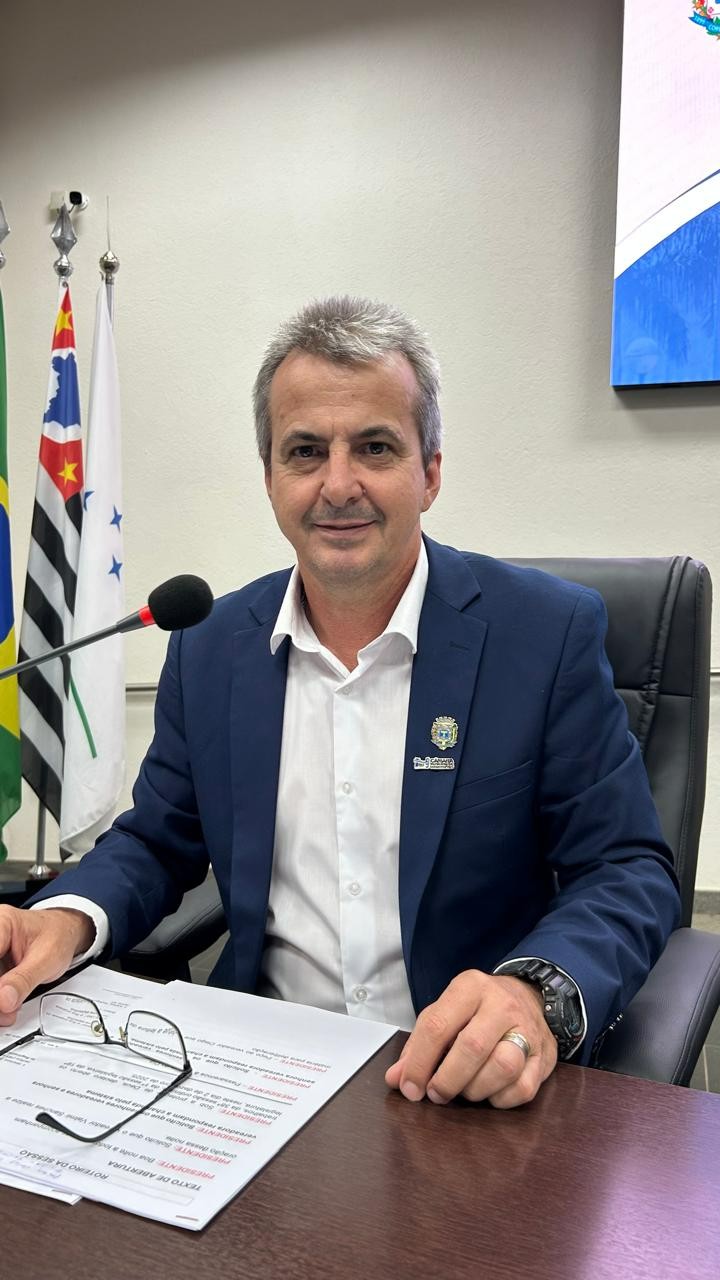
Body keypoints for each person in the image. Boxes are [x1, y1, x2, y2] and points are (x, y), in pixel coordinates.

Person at [0, 296, 680, 1110]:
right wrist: (63, 919)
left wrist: (535, 993)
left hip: (463, 1082)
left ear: (430, 472)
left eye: (376, 447)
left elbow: (625, 869)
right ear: (270, 478)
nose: (338, 484)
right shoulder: (211, 646)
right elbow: (158, 841)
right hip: (256, 1075)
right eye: (305, 451)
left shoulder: (545, 634)